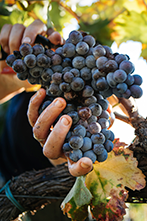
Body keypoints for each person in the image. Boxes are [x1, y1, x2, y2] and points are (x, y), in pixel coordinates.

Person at [0, 20, 93, 185]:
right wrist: (9, 81)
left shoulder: (88, 99)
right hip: (6, 180)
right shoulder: (31, 88)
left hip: (52, 195)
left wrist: (67, 161)